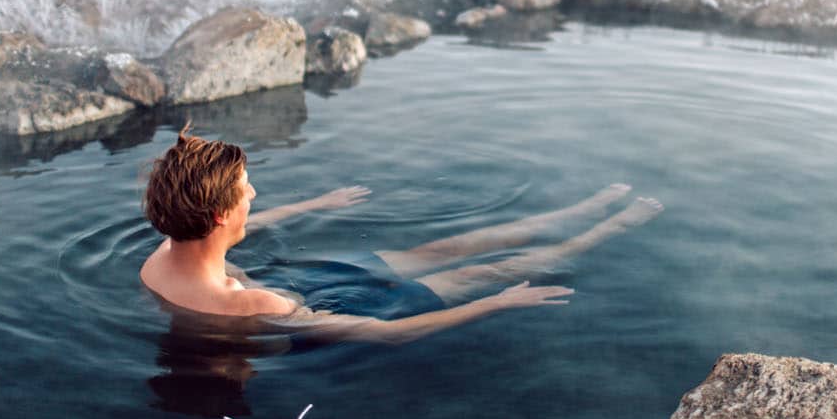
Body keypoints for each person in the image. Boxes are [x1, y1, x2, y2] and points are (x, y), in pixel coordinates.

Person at [138, 128, 662, 345]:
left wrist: (315, 205)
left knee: (434, 251)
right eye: (245, 190)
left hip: (301, 280)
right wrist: (497, 304)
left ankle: (581, 208)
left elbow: (250, 223)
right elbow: (384, 334)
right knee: (476, 273)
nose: (255, 196)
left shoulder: (162, 256)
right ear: (217, 217)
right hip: (317, 298)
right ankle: (608, 225)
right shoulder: (253, 305)